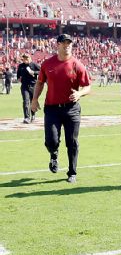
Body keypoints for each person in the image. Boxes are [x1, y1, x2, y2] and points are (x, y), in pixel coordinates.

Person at [31, 34, 91, 183]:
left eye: (69, 43)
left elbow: (87, 87)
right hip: (52, 108)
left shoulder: (77, 65)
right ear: (57, 45)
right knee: (51, 140)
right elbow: (39, 83)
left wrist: (79, 93)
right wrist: (34, 100)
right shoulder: (47, 64)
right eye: (64, 43)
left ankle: (72, 173)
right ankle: (54, 155)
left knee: (72, 142)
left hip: (72, 109)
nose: (67, 45)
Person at [17, 53, 41, 123]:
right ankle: (26, 117)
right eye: (24, 59)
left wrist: (34, 72)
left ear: (29, 58)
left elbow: (41, 71)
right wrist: (18, 78)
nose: (24, 60)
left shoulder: (34, 64)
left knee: (33, 101)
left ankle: (33, 115)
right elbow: (18, 74)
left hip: (33, 85)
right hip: (24, 86)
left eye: (26, 58)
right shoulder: (21, 66)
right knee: (26, 101)